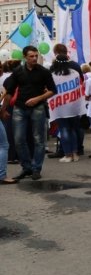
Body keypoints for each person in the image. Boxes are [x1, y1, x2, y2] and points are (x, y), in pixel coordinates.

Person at [1, 45, 56, 181]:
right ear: (25, 57)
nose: (34, 58)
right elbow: (9, 92)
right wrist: (3, 110)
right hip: (19, 108)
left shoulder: (43, 72)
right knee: (19, 139)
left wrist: (38, 98)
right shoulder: (18, 71)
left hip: (37, 108)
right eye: (31, 56)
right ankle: (26, 167)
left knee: (39, 140)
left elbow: (53, 90)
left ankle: (36, 168)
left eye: (36, 56)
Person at [49, 52, 85, 164]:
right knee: (73, 129)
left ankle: (67, 154)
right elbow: (80, 86)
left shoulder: (53, 75)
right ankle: (75, 153)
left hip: (60, 106)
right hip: (74, 105)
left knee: (64, 130)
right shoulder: (74, 73)